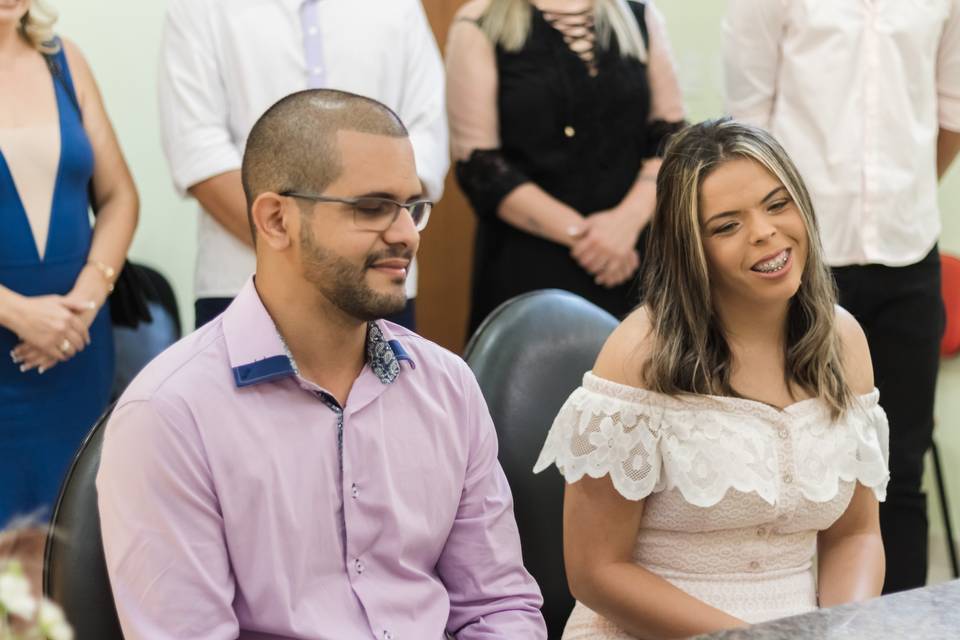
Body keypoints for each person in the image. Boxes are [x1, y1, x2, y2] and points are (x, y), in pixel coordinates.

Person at [97, 89, 547, 640]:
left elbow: (497, 606)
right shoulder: (169, 414)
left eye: (412, 207)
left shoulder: (447, 385)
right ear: (277, 220)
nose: (406, 233)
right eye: (372, 207)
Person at [534, 119, 890, 638]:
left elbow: (855, 534)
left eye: (777, 204)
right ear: (689, 250)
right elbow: (596, 571)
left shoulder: (844, 340)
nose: (765, 232)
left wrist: (840, 626)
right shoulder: (640, 353)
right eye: (727, 226)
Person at [723, 0, 960, 593]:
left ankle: (899, 626)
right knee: (792, 466)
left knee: (899, 468)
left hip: (907, 248)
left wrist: (894, 197)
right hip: (797, 260)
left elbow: (951, 111)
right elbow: (747, 129)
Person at [158, 0, 448, 330]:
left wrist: (350, 245)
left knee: (391, 382)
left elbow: (427, 142)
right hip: (244, 281)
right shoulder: (199, 9)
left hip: (379, 279)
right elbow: (199, 153)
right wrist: (314, 255)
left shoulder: (398, 7)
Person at [446, 0, 684, 331]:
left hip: (636, 257)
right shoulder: (479, 21)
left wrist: (624, 224)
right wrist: (586, 238)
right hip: (531, 264)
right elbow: (481, 168)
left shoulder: (639, 14)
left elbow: (672, 139)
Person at [0, 0, 138, 525]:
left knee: (77, 538)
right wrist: (18, 313)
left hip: (78, 348)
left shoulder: (64, 61)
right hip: (10, 354)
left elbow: (121, 197)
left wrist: (81, 304)